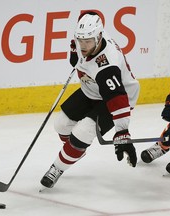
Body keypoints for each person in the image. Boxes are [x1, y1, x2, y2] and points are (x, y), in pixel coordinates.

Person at [40, 11, 140, 189]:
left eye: (88, 42)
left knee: (82, 132)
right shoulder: (90, 36)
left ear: (99, 37)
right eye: (80, 40)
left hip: (119, 97)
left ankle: (57, 167)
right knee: (61, 125)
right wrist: (75, 49)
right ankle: (76, 150)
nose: (83, 45)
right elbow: (87, 17)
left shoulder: (107, 66)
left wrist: (122, 132)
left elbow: (117, 100)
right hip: (92, 89)